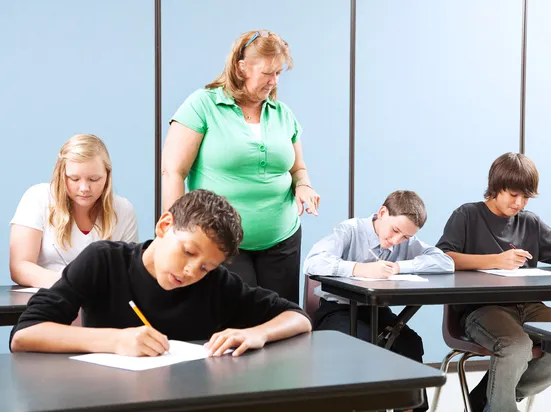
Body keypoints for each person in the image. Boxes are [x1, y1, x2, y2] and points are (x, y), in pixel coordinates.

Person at [10, 189, 312, 357]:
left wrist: (256, 333)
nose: (192, 270)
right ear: (165, 225)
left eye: (206, 266)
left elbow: (298, 317)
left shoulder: (217, 284)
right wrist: (114, 341)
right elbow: (24, 335)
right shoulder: (104, 261)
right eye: (189, 252)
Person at [161, 30, 320, 304]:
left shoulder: (282, 113)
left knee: (279, 324)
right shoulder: (203, 105)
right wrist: (176, 233)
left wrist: (303, 186)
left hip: (282, 239)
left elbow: (297, 168)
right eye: (267, 73)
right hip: (218, 241)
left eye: (279, 73)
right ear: (241, 67)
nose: (274, 81)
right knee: (233, 326)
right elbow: (173, 171)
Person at [436, 152, 551, 412]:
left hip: (529, 307)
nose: (520, 203)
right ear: (496, 188)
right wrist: (495, 260)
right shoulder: (467, 215)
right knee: (516, 345)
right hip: (481, 308)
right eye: (513, 195)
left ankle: (489, 399)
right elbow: (442, 258)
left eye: (526, 197)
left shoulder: (530, 222)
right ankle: (498, 401)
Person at [304, 190, 454, 412]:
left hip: (375, 311)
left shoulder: (404, 241)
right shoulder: (351, 230)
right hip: (337, 311)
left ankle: (410, 408)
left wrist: (400, 267)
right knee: (368, 349)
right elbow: (312, 262)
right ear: (382, 213)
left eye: (405, 237)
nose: (396, 240)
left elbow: (445, 262)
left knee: (410, 343)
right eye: (395, 231)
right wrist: (359, 268)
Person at [10, 134, 138, 289]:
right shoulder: (37, 198)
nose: (84, 188)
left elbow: (129, 272)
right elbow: (20, 266)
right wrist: (68, 285)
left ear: (107, 175)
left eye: (94, 179)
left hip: (100, 307)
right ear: (61, 174)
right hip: (50, 301)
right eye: (74, 179)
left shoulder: (123, 210)